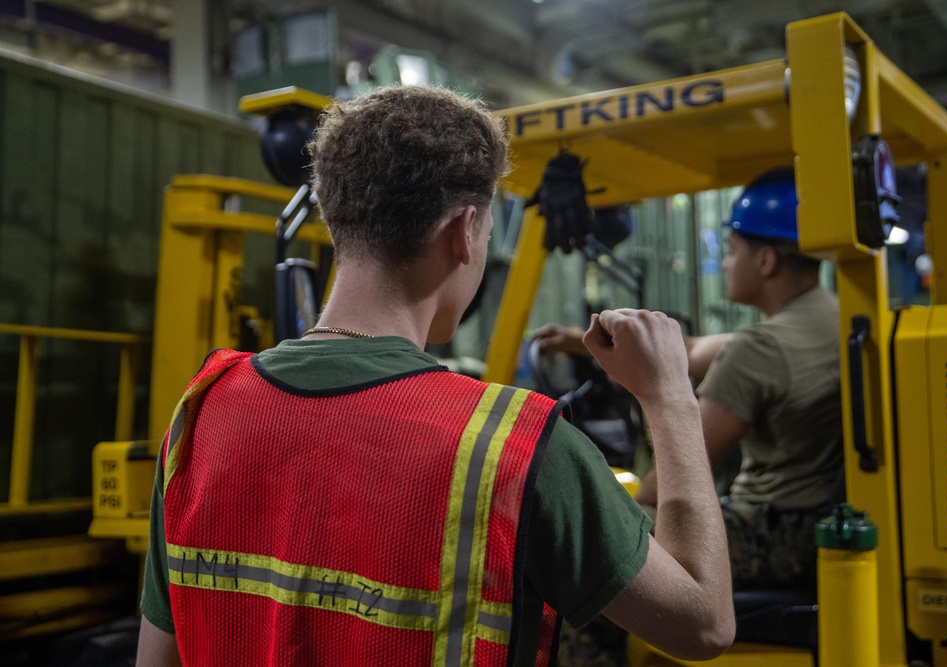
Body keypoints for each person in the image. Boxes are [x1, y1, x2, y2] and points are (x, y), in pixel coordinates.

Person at [135, 85, 734, 666]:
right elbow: (703, 624)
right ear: (463, 232)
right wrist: (670, 395)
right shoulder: (516, 447)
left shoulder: (202, 412)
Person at [534, 168, 844, 591]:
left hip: (775, 534)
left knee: (588, 549)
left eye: (732, 250)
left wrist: (629, 507)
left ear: (766, 260)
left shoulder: (760, 348)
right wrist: (581, 341)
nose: (726, 262)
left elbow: (682, 467)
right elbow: (696, 350)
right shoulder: (834, 322)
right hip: (825, 525)